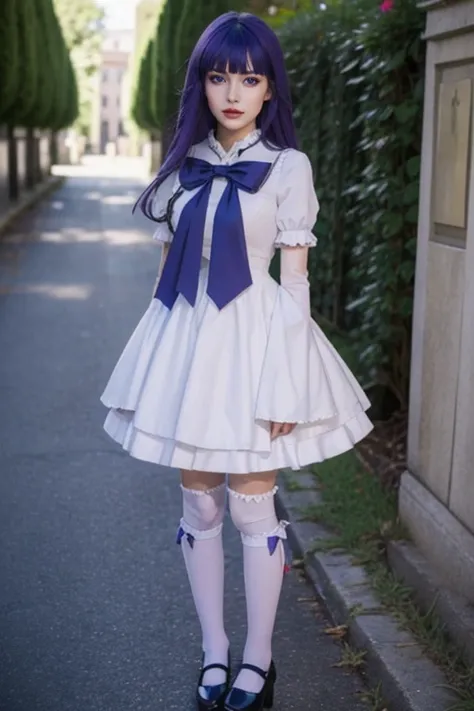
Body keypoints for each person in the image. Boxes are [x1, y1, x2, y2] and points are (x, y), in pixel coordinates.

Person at [101, 11, 373, 711]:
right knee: (199, 498)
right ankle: (214, 650)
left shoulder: (288, 168)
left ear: (270, 91)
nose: (232, 91)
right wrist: (158, 368)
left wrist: (285, 381)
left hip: (257, 345)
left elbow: (296, 284)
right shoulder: (181, 166)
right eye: (220, 75)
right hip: (191, 347)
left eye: (249, 78)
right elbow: (169, 276)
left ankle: (259, 658)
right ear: (203, 82)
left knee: (255, 505)